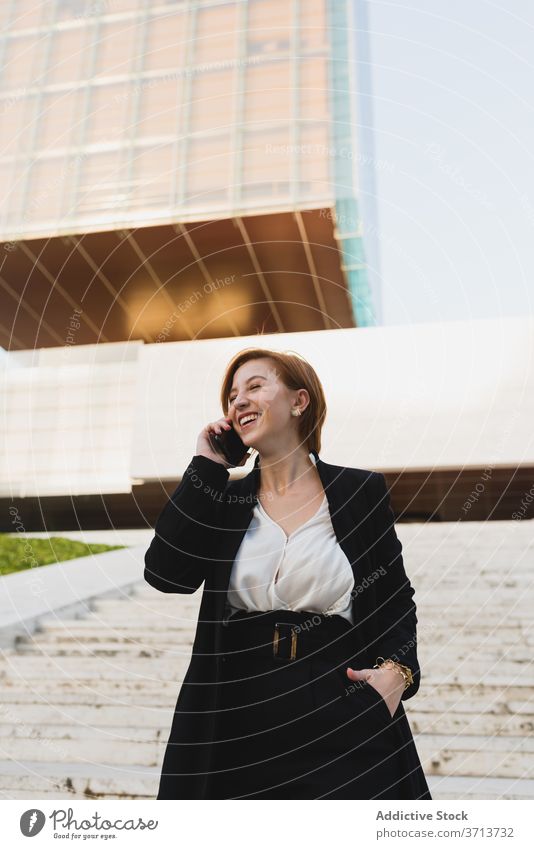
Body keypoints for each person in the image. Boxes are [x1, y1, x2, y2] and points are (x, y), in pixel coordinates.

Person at [144, 347, 431, 799]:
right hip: (234, 707)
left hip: (339, 697)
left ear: (300, 401)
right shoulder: (224, 499)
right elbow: (166, 573)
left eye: (255, 386)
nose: (238, 401)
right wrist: (208, 467)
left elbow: (396, 599)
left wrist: (397, 674)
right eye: (232, 395)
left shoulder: (360, 491)